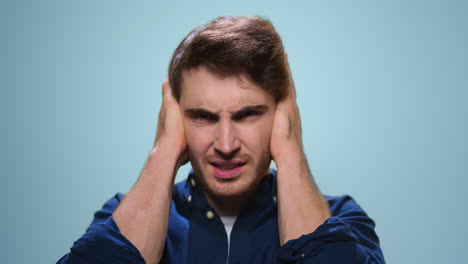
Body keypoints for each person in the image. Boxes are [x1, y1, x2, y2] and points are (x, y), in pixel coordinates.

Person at [58, 16, 385, 264]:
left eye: (247, 115)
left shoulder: (340, 218)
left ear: (280, 113)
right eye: (202, 116)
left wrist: (290, 151)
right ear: (176, 117)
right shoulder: (122, 215)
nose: (226, 145)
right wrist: (165, 152)